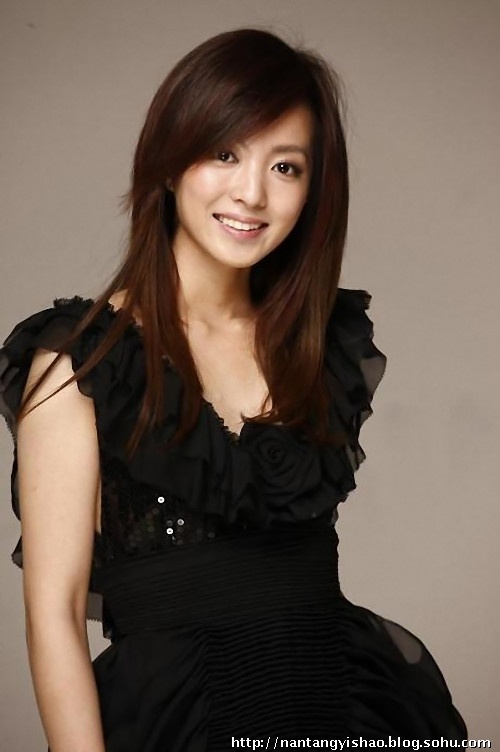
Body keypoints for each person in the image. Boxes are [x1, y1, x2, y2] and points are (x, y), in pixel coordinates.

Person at [0, 27, 467, 751]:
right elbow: (54, 617)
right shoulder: (83, 364)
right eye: (225, 153)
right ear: (168, 162)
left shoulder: (318, 349)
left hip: (336, 706)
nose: (252, 192)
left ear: (313, 189)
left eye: (285, 167)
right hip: (176, 724)